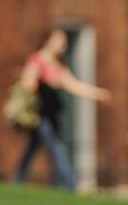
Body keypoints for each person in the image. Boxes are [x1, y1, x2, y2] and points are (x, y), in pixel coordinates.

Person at [11, 29, 112, 190]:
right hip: (40, 115)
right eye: (59, 40)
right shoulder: (37, 60)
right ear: (49, 41)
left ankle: (17, 181)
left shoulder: (59, 65)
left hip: (53, 113)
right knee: (56, 147)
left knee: (33, 148)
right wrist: (36, 83)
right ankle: (72, 184)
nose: (63, 45)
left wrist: (98, 93)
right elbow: (27, 83)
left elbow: (74, 86)